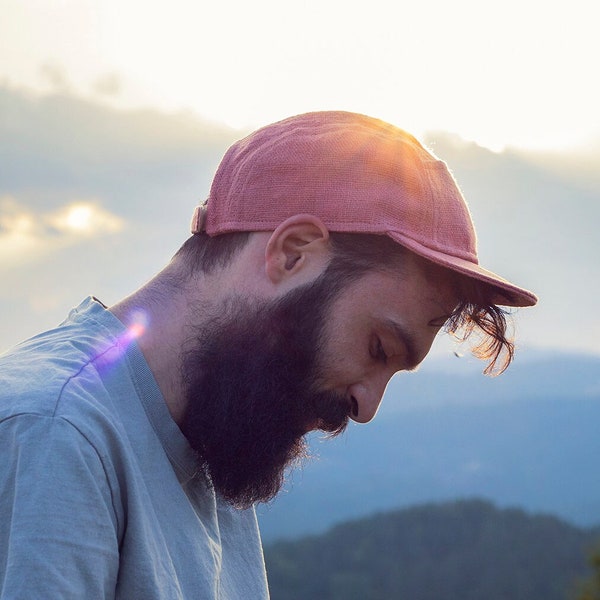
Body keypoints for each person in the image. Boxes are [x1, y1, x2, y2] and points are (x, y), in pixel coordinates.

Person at [0, 110, 536, 598]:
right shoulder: (56, 434)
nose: (366, 406)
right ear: (292, 253)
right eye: (377, 348)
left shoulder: (210, 434)